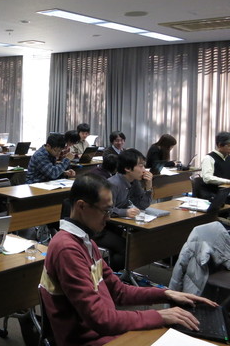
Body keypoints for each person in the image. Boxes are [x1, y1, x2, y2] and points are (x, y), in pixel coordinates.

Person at [39, 174, 216, 346]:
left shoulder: (86, 242)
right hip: (91, 339)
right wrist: (160, 315)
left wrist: (165, 294)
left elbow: (119, 291)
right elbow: (100, 319)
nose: (108, 217)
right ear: (81, 206)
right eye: (105, 210)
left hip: (106, 332)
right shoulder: (67, 249)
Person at [200, 131, 230, 200]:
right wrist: (228, 181)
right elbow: (207, 178)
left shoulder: (228, 157)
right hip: (214, 193)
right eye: (229, 145)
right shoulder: (209, 158)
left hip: (226, 191)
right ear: (219, 145)